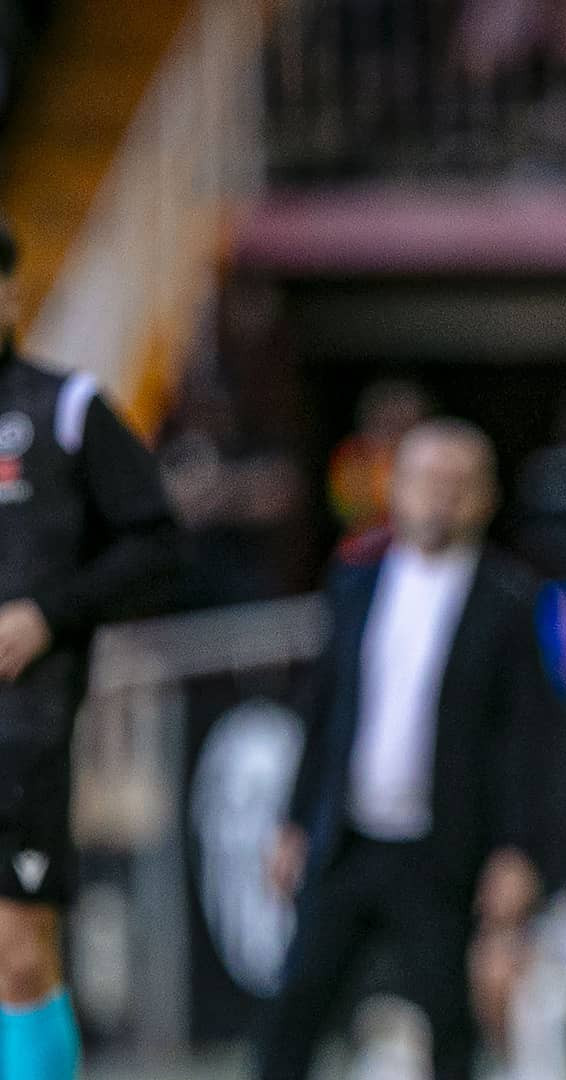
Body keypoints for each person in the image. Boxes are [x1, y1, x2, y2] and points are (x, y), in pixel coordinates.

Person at [258, 419, 549, 1080]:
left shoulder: (508, 597)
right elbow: (324, 709)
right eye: (425, 479)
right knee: (294, 1007)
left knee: (447, 1021)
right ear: (396, 488)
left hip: (442, 849)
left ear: (486, 497)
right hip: (350, 839)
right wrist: (295, 821)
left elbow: (525, 737)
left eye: (457, 483)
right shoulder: (355, 581)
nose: (440, 496)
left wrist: (517, 850)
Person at [0, 224, 179, 1079]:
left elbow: (157, 546)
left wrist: (47, 614)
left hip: (18, 733)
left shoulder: (65, 409)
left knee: (18, 952)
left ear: (11, 294)